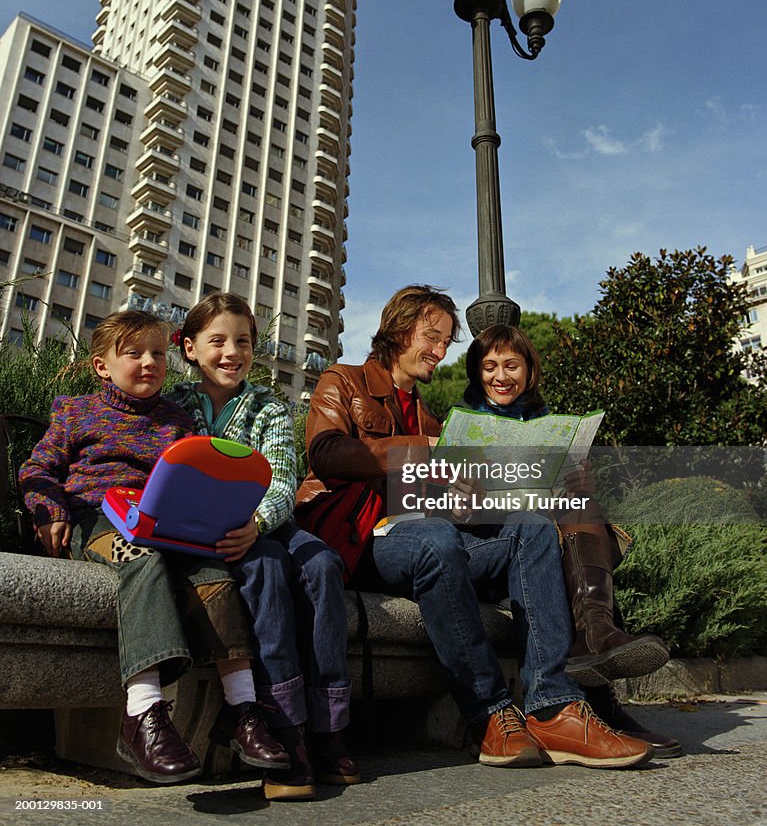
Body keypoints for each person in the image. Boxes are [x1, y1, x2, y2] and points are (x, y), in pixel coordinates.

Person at [296, 285, 653, 770]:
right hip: (357, 539)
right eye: (432, 337)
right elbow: (327, 455)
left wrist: (462, 499)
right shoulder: (346, 380)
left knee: (532, 528)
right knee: (437, 542)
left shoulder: (428, 411)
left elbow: (434, 503)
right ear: (400, 331)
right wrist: (425, 448)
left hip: (417, 533)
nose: (441, 351)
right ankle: (488, 713)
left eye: (446, 342)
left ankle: (552, 705)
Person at [20, 310, 288, 784]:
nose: (149, 362)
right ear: (102, 365)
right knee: (142, 563)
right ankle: (143, 714)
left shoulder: (178, 421)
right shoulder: (75, 411)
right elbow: (37, 469)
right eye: (134, 353)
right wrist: (50, 510)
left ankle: (244, 708)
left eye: (158, 353)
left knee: (214, 576)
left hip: (166, 522)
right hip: (100, 519)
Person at [168, 292, 358, 800]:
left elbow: (281, 477)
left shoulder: (269, 407)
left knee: (321, 563)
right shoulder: (175, 407)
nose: (232, 352)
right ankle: (284, 727)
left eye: (244, 341)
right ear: (189, 349)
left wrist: (257, 519)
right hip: (208, 532)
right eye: (217, 341)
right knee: (268, 569)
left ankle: (328, 727)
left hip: (261, 522)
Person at [462, 324, 682, 758]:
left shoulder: (549, 427)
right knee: (552, 535)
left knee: (582, 507)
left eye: (511, 365)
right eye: (489, 367)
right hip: (493, 550)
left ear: (529, 370)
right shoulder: (461, 427)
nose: (500, 376)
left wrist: (578, 483)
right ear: (476, 373)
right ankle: (603, 691)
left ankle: (597, 635)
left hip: (548, 545)